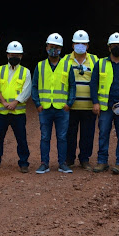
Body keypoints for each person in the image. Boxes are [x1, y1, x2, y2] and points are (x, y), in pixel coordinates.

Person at [31, 33, 76, 174]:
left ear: (61, 49)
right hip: (45, 108)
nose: (54, 50)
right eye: (51, 46)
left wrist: (69, 103)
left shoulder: (67, 66)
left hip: (62, 108)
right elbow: (34, 86)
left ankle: (62, 163)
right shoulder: (40, 66)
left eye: (57, 47)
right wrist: (37, 104)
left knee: (62, 137)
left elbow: (72, 86)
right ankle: (44, 163)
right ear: (46, 48)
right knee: (45, 137)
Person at [0, 41, 32, 173]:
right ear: (7, 55)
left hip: (18, 113)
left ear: (21, 56)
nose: (14, 57)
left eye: (17, 55)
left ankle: (24, 163)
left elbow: (26, 91)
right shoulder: (0, 70)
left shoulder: (26, 72)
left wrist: (15, 103)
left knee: (21, 139)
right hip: (2, 112)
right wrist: (4, 102)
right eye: (12, 54)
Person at [91, 32, 119, 175]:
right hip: (105, 107)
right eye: (114, 45)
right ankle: (102, 161)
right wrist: (95, 102)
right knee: (103, 134)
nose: (117, 48)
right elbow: (93, 84)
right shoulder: (100, 63)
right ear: (109, 48)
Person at [65, 30, 99, 171]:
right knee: (70, 134)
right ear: (73, 45)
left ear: (88, 45)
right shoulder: (65, 60)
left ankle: (84, 159)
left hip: (89, 106)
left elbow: (98, 81)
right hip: (71, 106)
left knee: (87, 135)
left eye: (83, 43)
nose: (80, 45)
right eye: (77, 43)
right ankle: (69, 159)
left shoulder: (95, 60)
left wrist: (97, 102)